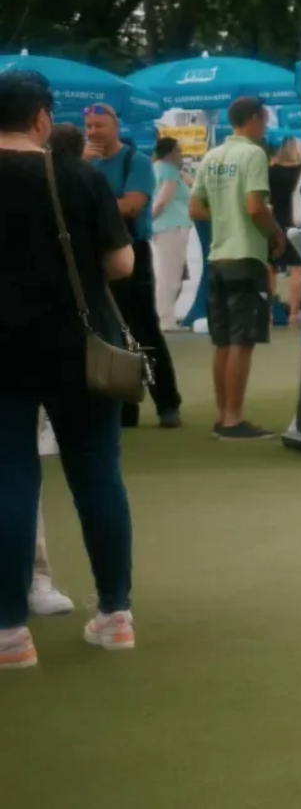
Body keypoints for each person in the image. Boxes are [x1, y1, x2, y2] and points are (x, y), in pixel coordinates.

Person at [0, 72, 142, 666]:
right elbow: (121, 263)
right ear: (41, 119)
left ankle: (10, 633)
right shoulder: (77, 175)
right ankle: (114, 613)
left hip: (3, 350)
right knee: (96, 476)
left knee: (9, 478)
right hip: (80, 348)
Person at [190, 97, 287, 441]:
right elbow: (254, 207)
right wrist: (276, 232)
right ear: (255, 118)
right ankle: (233, 419)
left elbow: (195, 208)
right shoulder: (253, 154)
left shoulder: (213, 155)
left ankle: (222, 415)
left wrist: (224, 214)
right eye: (264, 119)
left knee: (222, 341)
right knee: (241, 342)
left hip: (218, 257)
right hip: (246, 257)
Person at [83, 107, 181, 429]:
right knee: (107, 333)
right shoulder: (84, 163)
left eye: (100, 125)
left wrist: (92, 206)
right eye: (89, 126)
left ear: (115, 126)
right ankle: (125, 409)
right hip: (96, 254)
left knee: (143, 330)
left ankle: (167, 403)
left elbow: (132, 205)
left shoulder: (134, 161)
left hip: (131, 251)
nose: (93, 131)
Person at [147, 136, 192, 324]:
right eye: (179, 150)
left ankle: (164, 316)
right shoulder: (170, 172)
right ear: (172, 152)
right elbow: (163, 200)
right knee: (170, 277)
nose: (181, 154)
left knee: (166, 273)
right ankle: (165, 319)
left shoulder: (158, 169)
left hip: (165, 227)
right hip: (173, 227)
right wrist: (149, 219)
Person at [268, 136, 301, 324]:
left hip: (274, 224)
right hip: (298, 224)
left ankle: (268, 313)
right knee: (298, 269)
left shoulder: (271, 172)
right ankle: (294, 313)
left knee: (270, 268)